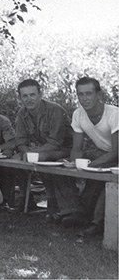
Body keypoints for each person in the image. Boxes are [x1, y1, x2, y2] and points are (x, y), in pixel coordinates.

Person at [14, 79, 86, 227]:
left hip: (67, 150)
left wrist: (33, 153)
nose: (29, 99)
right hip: (43, 150)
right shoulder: (22, 113)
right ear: (20, 98)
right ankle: (44, 206)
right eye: (25, 96)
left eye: (32, 95)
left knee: (49, 163)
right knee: (20, 161)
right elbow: (20, 141)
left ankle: (70, 210)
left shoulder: (55, 110)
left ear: (40, 94)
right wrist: (27, 152)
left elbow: (56, 142)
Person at [69, 77, 118, 237]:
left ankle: (97, 224)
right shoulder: (78, 114)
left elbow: (116, 151)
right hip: (104, 153)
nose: (84, 98)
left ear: (99, 94)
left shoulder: (114, 114)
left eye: (89, 93)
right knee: (66, 169)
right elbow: (77, 148)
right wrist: (76, 164)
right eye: (80, 94)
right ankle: (77, 214)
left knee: (107, 181)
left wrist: (90, 166)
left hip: (115, 154)